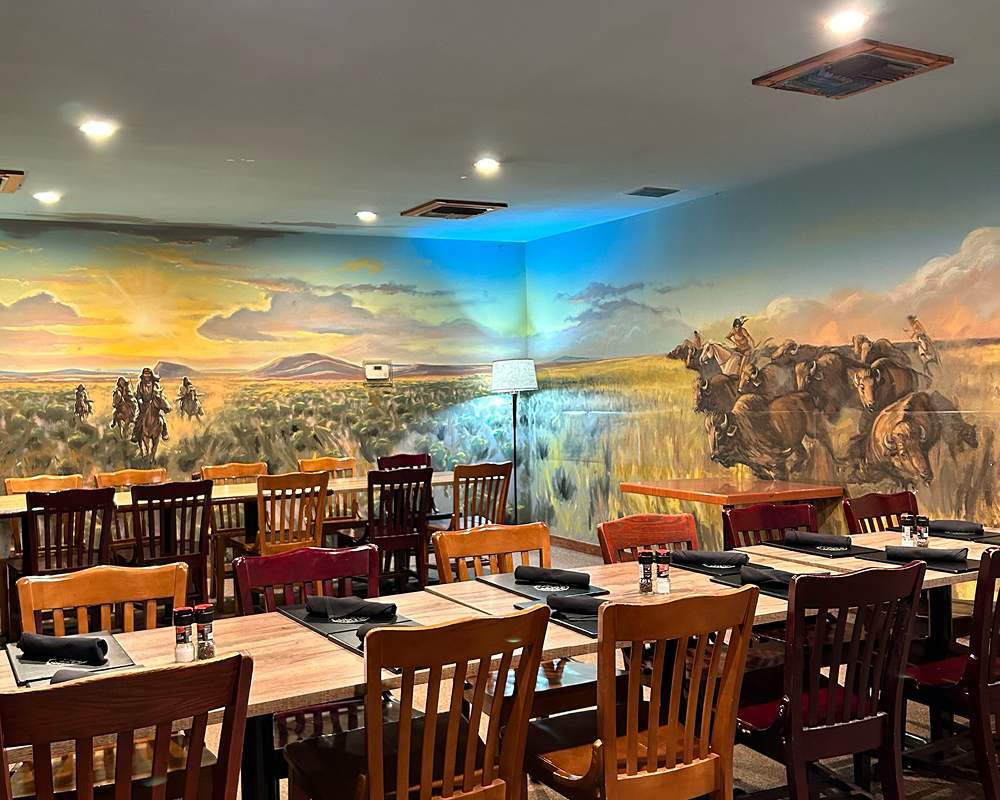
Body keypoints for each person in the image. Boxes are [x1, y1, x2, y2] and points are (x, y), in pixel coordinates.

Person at [133, 367, 170, 442]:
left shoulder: (155, 384)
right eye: (145, 373)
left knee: (161, 417)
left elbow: (157, 394)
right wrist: (140, 400)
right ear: (143, 375)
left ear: (151, 374)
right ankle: (135, 434)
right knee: (138, 418)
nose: (147, 375)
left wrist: (154, 402)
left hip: (153, 404)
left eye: (148, 374)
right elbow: (139, 395)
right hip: (143, 405)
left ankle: (164, 433)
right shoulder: (139, 384)